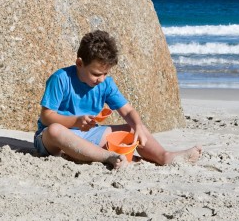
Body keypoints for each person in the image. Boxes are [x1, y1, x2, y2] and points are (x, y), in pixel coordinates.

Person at [33, 30, 202, 170]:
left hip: (89, 135)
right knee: (55, 130)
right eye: (96, 74)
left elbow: (127, 111)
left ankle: (163, 156)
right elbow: (46, 117)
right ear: (79, 63)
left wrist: (138, 125)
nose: (101, 79)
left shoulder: (106, 84)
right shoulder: (61, 79)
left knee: (132, 128)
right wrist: (75, 121)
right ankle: (108, 157)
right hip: (53, 140)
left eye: (106, 74)